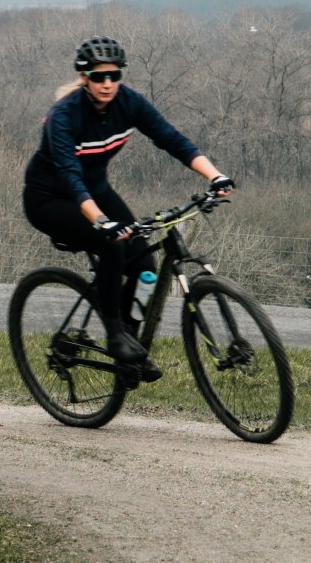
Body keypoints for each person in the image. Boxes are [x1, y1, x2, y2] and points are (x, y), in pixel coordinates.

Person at [23, 36, 234, 379]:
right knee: (112, 245)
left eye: (114, 75)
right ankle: (114, 335)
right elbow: (70, 176)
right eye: (98, 76)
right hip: (51, 198)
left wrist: (216, 177)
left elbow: (171, 139)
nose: (107, 84)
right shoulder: (64, 116)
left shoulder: (129, 103)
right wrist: (102, 222)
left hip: (97, 191)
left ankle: (129, 350)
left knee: (145, 264)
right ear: (84, 78)